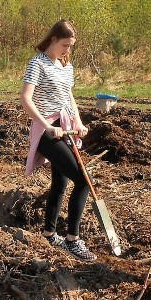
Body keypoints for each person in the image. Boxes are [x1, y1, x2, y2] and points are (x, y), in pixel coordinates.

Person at [20, 19, 95, 262]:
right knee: (84, 181)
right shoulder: (37, 64)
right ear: (53, 39)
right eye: (65, 44)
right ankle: (73, 239)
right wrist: (47, 126)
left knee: (60, 184)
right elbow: (26, 99)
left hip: (66, 128)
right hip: (46, 132)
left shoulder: (66, 66)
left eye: (71, 46)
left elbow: (68, 96)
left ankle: (50, 233)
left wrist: (79, 122)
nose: (67, 50)